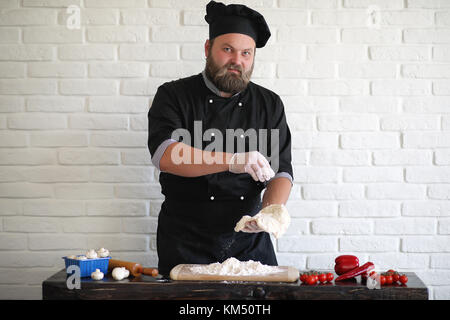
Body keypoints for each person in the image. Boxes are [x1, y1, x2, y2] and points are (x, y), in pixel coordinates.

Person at [147, 0, 293, 277]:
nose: (237, 61)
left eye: (246, 53)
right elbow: (165, 155)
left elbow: (281, 170)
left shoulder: (269, 103)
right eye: (228, 50)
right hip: (185, 239)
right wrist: (233, 161)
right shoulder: (173, 96)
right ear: (207, 49)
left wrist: (269, 213)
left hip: (250, 239)